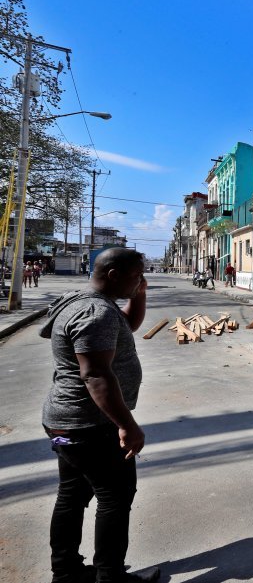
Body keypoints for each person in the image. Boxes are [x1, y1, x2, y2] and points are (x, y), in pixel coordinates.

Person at [38, 247, 158, 583]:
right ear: (114, 275)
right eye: (136, 276)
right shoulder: (96, 313)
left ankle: (66, 572)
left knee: (72, 495)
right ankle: (110, 577)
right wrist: (127, 425)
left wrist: (140, 295)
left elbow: (125, 326)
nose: (141, 281)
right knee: (115, 499)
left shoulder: (84, 300)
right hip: (91, 425)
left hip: (66, 423)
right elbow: (95, 375)